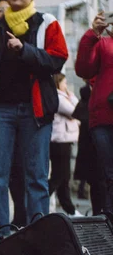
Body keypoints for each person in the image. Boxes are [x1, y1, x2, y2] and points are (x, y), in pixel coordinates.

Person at [0, 0, 68, 248]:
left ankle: (39, 235)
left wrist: (24, 50)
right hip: (0, 109)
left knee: (36, 175)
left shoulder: (47, 23)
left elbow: (57, 60)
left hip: (35, 110)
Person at [75, 11, 113, 213]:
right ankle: (107, 225)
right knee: (107, 175)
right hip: (103, 117)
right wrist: (92, 35)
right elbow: (83, 69)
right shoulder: (104, 43)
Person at [49, 73, 82, 216]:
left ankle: (70, 209)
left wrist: (70, 95)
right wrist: (71, 96)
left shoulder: (65, 97)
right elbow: (77, 111)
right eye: (64, 83)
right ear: (58, 83)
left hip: (65, 140)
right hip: (60, 141)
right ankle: (41, 200)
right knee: (59, 176)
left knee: (63, 178)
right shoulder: (59, 98)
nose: (66, 86)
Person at [72, 82, 108, 214]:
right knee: (99, 181)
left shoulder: (86, 99)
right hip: (93, 145)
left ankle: (99, 212)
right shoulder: (89, 98)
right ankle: (101, 213)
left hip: (89, 145)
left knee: (96, 182)